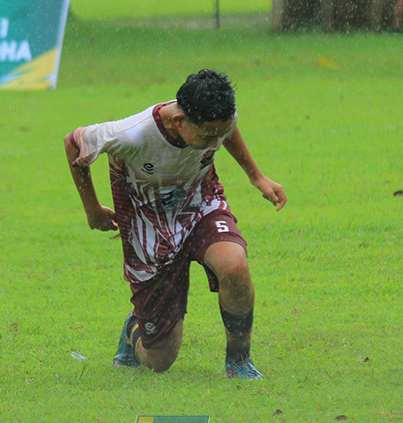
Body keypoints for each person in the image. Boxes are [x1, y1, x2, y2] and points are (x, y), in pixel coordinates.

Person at [63, 70, 286, 379]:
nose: (216, 142)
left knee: (234, 266)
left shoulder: (217, 117)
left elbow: (225, 130)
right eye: (209, 137)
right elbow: (74, 143)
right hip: (147, 225)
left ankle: (238, 360)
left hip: (200, 205)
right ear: (180, 121)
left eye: (220, 134)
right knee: (159, 359)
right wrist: (92, 210)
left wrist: (256, 176)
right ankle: (134, 330)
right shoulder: (132, 134)